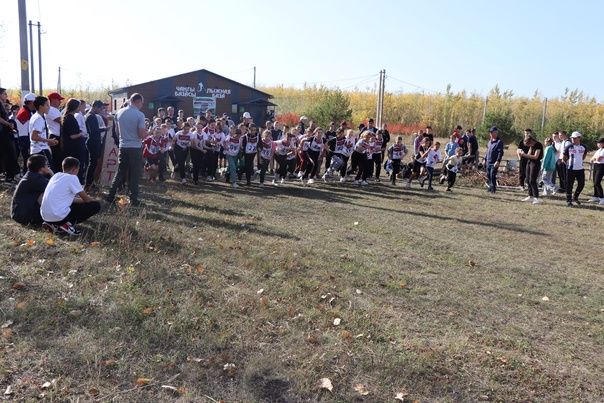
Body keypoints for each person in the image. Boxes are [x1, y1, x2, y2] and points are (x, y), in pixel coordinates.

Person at [40, 157, 101, 236]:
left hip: (45, 215)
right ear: (74, 169)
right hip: (57, 215)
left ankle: (53, 224)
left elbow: (68, 199)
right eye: (78, 169)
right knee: (95, 205)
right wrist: (94, 199)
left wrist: (83, 200)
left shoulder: (56, 176)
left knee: (74, 205)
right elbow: (86, 199)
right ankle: (66, 224)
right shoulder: (72, 178)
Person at [105, 93, 147, 206]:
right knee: (134, 173)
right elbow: (141, 134)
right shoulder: (140, 115)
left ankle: (110, 196)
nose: (142, 105)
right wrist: (147, 133)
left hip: (123, 145)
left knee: (120, 172)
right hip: (135, 147)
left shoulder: (119, 112)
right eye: (141, 103)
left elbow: (117, 131)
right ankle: (134, 199)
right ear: (137, 102)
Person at [11, 154, 53, 225]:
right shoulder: (36, 179)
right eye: (46, 165)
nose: (48, 167)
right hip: (23, 216)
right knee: (49, 194)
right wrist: (52, 174)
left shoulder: (31, 175)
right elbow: (55, 189)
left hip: (18, 213)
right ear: (41, 168)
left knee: (45, 193)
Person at [61, 99, 87, 184]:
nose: (80, 108)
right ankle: (75, 186)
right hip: (74, 149)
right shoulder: (70, 118)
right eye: (79, 106)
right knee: (75, 169)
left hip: (73, 148)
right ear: (74, 107)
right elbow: (72, 136)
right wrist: (81, 134)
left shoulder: (69, 117)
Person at [85, 101, 109, 189]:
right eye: (100, 108)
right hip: (93, 142)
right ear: (95, 107)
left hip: (95, 141)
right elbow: (93, 130)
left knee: (94, 163)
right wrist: (105, 129)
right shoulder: (90, 116)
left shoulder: (93, 115)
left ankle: (91, 183)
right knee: (92, 164)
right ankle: (88, 184)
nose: (101, 110)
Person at [29, 96, 59, 164]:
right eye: (47, 105)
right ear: (40, 106)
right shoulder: (38, 119)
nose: (49, 107)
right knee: (49, 172)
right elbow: (34, 137)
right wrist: (48, 140)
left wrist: (48, 142)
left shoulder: (36, 116)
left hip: (37, 150)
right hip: (40, 151)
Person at [0, 88, 20, 183]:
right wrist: (8, 124)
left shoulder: (2, 105)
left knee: (11, 154)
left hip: (6, 132)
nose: (6, 95)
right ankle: (9, 176)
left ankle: (11, 175)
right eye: (4, 94)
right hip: (3, 134)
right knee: (8, 154)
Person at [518, 131, 543, 204]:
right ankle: (530, 196)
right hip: (529, 162)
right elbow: (529, 153)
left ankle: (536, 197)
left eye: (528, 144)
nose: (528, 146)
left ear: (531, 141)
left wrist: (524, 155)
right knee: (528, 179)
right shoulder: (531, 146)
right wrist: (523, 154)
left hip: (535, 163)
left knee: (532, 180)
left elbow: (535, 157)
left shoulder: (538, 145)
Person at [563, 131, 587, 207]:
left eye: (575, 138)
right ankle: (569, 201)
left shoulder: (584, 147)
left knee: (581, 184)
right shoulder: (569, 147)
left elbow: (584, 156)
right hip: (570, 169)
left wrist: (579, 162)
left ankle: (575, 197)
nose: (573, 139)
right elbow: (564, 157)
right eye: (572, 138)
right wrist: (568, 164)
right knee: (569, 185)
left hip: (580, 169)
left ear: (579, 138)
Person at [15, 93, 36, 174]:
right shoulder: (24, 112)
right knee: (27, 159)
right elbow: (24, 129)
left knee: (27, 159)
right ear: (31, 102)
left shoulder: (27, 111)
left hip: (24, 137)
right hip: (24, 138)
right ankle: (26, 175)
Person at [46, 92, 64, 172]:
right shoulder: (51, 110)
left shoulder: (55, 110)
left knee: (59, 158)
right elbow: (60, 121)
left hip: (58, 136)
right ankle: (55, 175)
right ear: (53, 100)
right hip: (54, 136)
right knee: (56, 158)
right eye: (58, 100)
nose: (60, 102)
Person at [484, 126, 504, 193]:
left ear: (496, 133)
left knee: (492, 175)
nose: (491, 134)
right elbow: (487, 151)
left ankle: (493, 189)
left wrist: (498, 161)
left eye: (492, 132)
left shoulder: (499, 142)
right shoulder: (489, 142)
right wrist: (485, 159)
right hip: (488, 161)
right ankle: (490, 187)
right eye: (490, 132)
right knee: (488, 175)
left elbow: (500, 152)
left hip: (494, 162)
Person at [589, 137, 604, 205]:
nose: (597, 144)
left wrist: (594, 158)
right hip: (596, 166)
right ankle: (596, 196)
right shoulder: (599, 150)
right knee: (594, 181)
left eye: (599, 142)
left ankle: (602, 198)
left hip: (601, 166)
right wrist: (594, 158)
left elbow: (598, 159)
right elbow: (592, 159)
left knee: (597, 182)